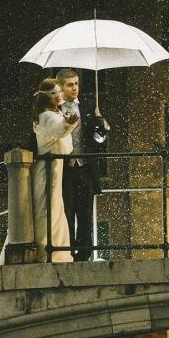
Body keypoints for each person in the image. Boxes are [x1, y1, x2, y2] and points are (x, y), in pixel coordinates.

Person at [56, 68, 110, 261]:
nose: (75, 88)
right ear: (60, 87)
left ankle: (84, 253)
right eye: (70, 84)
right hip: (64, 169)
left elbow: (98, 142)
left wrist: (101, 127)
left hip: (85, 168)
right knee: (67, 211)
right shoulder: (55, 110)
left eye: (77, 83)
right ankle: (68, 251)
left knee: (85, 213)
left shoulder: (88, 107)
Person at [31, 78, 79, 262]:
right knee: (48, 206)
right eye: (54, 93)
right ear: (46, 97)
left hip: (55, 164)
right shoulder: (46, 116)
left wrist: (67, 122)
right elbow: (58, 131)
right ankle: (46, 249)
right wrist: (69, 124)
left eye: (59, 91)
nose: (59, 95)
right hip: (48, 167)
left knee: (54, 206)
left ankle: (54, 248)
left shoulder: (51, 113)